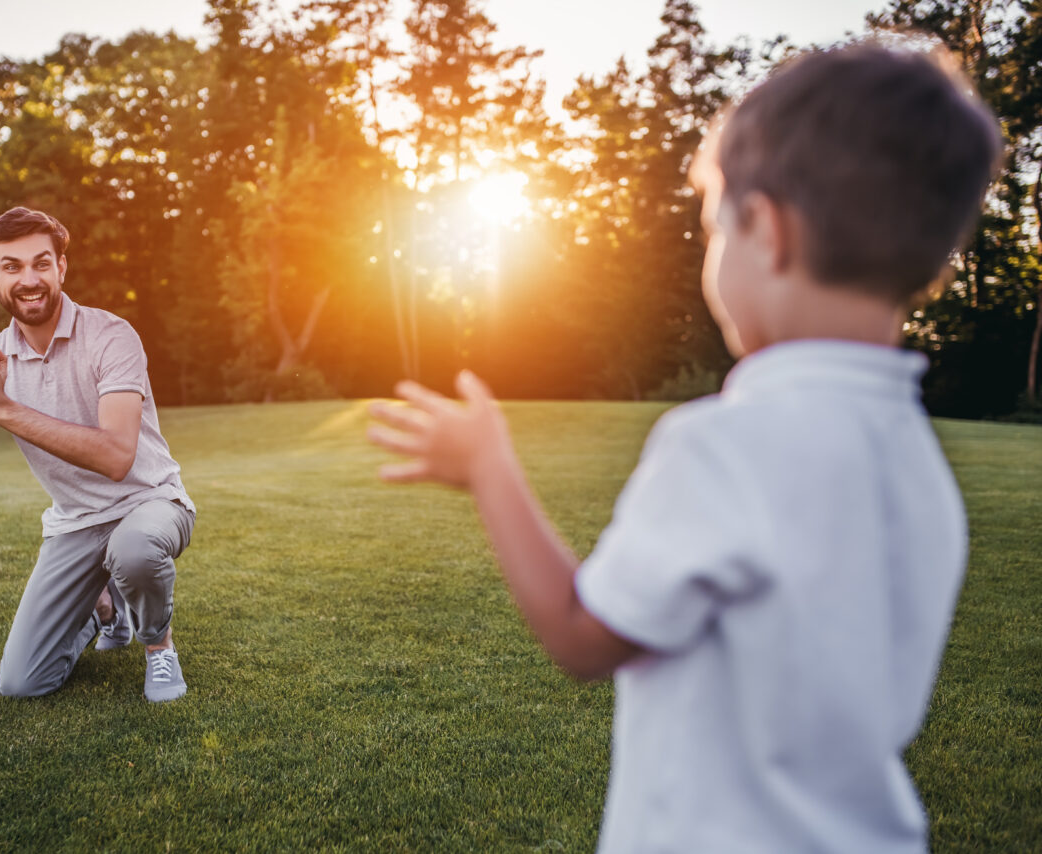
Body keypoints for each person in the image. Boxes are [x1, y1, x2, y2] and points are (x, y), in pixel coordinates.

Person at [368, 43, 1001, 851]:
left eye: (711, 227)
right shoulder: (917, 462)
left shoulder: (724, 446)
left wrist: (490, 467)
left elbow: (582, 634)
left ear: (765, 230)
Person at [0, 206, 196, 703]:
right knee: (21, 684)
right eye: (12, 266)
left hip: (150, 504)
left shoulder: (111, 336)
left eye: (42, 263)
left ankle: (159, 648)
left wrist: (1, 407)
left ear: (62, 268)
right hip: (75, 525)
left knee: (134, 548)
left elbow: (116, 457)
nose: (29, 279)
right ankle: (105, 611)